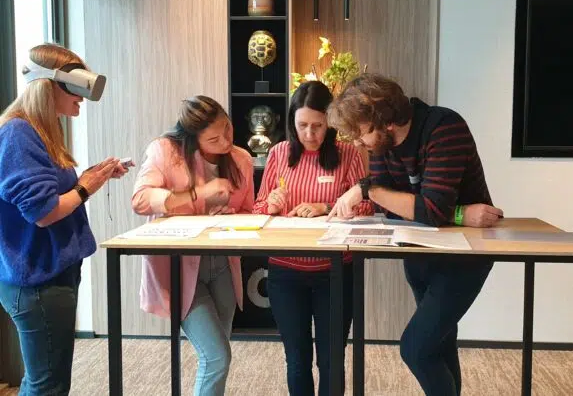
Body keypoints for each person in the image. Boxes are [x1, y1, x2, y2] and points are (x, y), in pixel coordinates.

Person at [326, 73, 504, 396]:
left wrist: (367, 189)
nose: (358, 143)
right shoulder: (382, 143)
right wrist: (460, 213)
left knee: (415, 348)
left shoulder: (444, 128)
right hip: (419, 252)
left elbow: (427, 209)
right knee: (439, 345)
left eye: (360, 133)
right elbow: (392, 209)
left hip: (464, 258)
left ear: (386, 120)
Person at [0, 43, 129, 395]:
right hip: (37, 282)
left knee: (46, 380)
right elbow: (43, 213)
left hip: (49, 274)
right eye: (76, 90)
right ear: (50, 85)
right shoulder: (18, 133)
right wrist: (86, 186)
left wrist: (93, 176)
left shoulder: (41, 130)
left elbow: (52, 194)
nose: (82, 100)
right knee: (48, 385)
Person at [253, 81, 373, 396]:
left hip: (334, 272)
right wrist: (271, 205)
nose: (309, 134)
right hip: (285, 272)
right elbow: (258, 208)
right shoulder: (279, 153)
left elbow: (367, 206)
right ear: (292, 122)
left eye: (317, 126)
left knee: (331, 360)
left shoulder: (348, 154)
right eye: (302, 125)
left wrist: (327, 207)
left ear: (329, 122)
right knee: (297, 359)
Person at [131, 95, 254, 395]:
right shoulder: (165, 151)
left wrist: (231, 213)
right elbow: (141, 200)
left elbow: (249, 210)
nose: (226, 141)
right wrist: (200, 194)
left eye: (227, 129)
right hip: (179, 267)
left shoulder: (241, 159)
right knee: (217, 356)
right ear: (193, 138)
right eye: (214, 139)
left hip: (223, 264)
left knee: (218, 354)